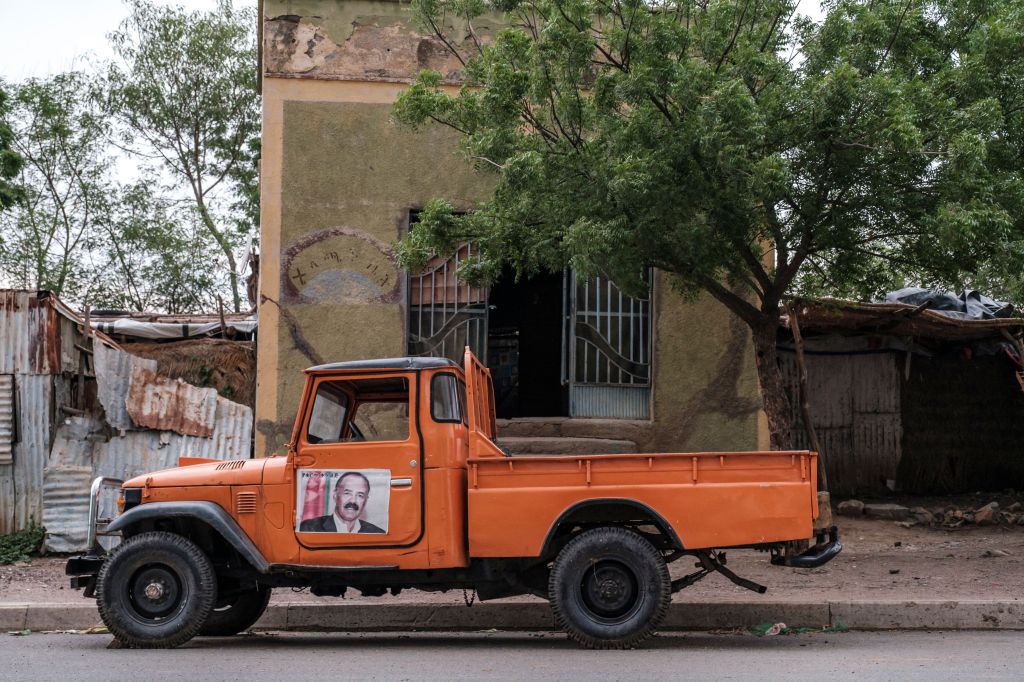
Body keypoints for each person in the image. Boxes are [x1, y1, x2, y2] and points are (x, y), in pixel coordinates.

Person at [299, 471, 385, 533]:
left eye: (360, 495)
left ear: (365, 501)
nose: (353, 500)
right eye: (347, 493)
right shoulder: (308, 528)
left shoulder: (378, 533)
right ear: (335, 495)